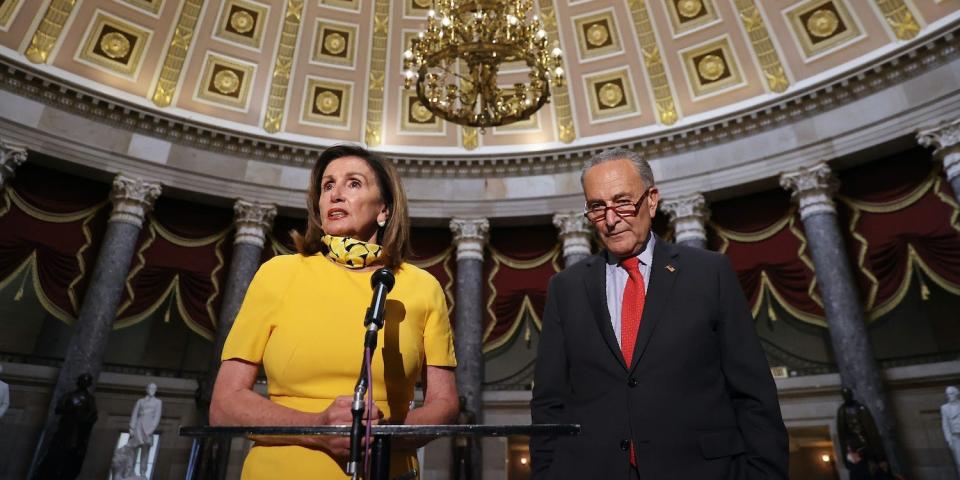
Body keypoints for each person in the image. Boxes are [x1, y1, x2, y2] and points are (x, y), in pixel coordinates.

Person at [530, 148, 788, 479]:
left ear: (651, 200)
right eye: (597, 208)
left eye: (623, 202)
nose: (610, 220)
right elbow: (549, 401)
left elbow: (753, 392)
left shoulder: (709, 273)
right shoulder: (565, 288)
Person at [210, 144, 459, 479]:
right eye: (327, 186)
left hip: (386, 468)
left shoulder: (423, 286)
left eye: (353, 183)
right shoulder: (277, 273)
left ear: (384, 209)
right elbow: (225, 404)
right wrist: (317, 428)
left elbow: (445, 405)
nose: (336, 195)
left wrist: (378, 435)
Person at [34, 373, 98, 480]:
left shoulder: (90, 399)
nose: (84, 383)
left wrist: (82, 419)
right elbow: (58, 409)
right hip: (65, 429)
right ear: (79, 381)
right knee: (55, 456)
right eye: (83, 380)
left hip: (79, 432)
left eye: (87, 381)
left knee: (72, 459)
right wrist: (71, 409)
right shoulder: (68, 396)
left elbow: (93, 416)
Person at [837, 387, 885, 466]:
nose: (847, 397)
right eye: (845, 395)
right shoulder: (841, 411)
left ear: (851, 395)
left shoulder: (861, 408)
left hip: (864, 441)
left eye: (848, 395)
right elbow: (841, 431)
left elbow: (871, 428)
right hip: (852, 443)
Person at [128, 382, 162, 476]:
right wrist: (131, 427)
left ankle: (143, 472)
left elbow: (156, 418)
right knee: (133, 450)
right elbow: (134, 414)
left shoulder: (158, 402)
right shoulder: (140, 401)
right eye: (151, 388)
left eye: (154, 389)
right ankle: (130, 471)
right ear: (147, 389)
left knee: (145, 452)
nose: (152, 390)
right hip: (138, 426)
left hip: (148, 428)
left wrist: (151, 430)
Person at [942, 385, 960, 477]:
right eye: (948, 394)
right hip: (955, 437)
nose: (949, 396)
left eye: (952, 393)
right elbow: (945, 425)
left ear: (957, 393)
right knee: (959, 461)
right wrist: (949, 440)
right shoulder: (944, 408)